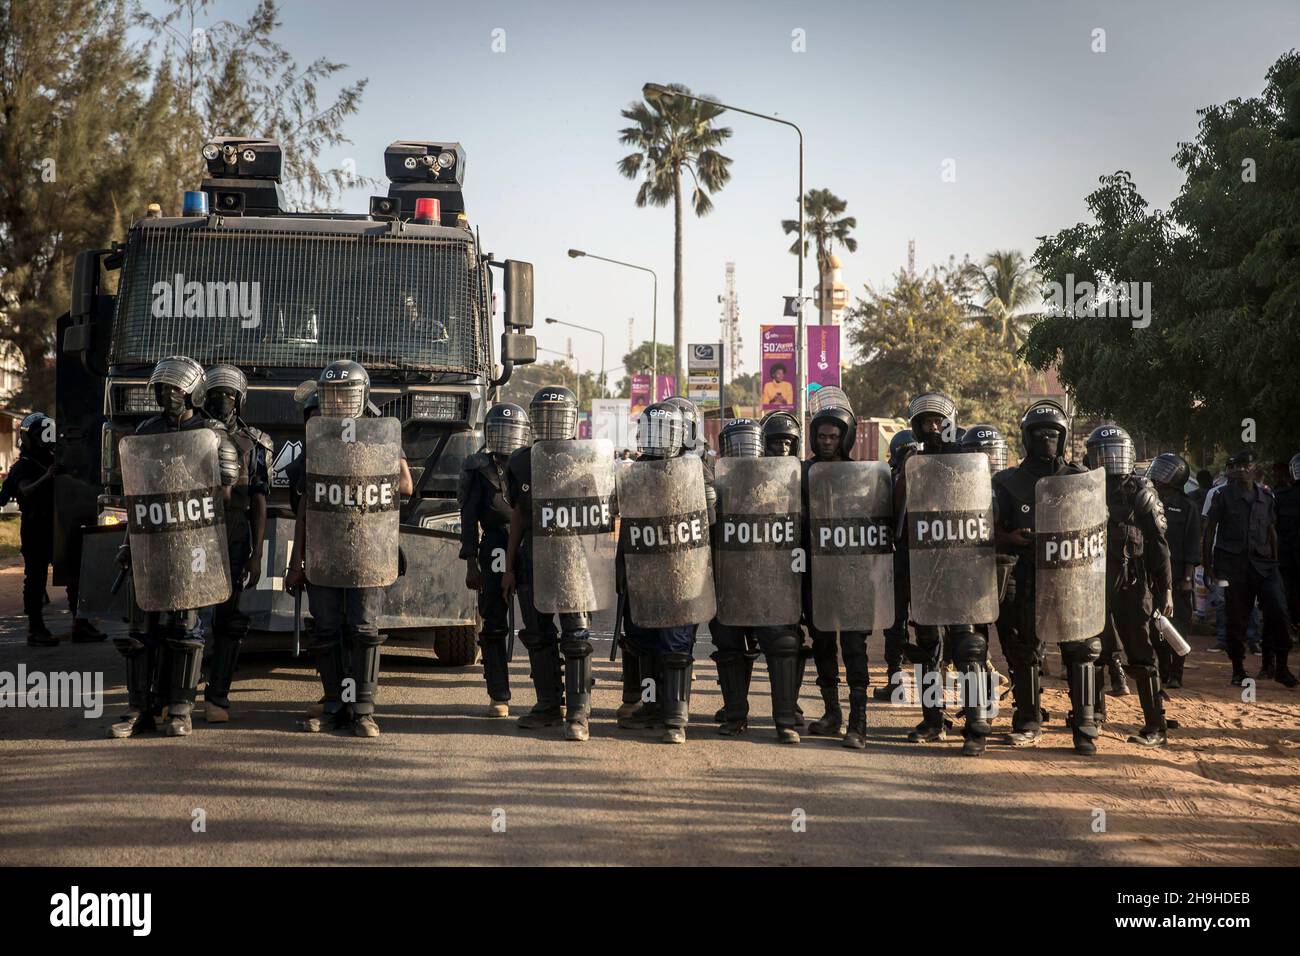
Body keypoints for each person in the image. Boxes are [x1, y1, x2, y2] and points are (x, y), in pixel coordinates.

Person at [110, 356, 239, 738]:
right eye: (162, 389)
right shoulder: (146, 431)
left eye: (175, 389)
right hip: (149, 541)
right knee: (140, 628)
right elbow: (134, 494)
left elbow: (225, 494)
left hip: (194, 542)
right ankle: (139, 709)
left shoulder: (213, 435)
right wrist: (127, 542)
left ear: (193, 392)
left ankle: (181, 708)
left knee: (186, 628)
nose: (167, 395)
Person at [284, 361, 414, 737]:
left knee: (362, 629)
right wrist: (297, 562)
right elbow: (306, 505)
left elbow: (405, 485)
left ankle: (362, 710)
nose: (338, 401)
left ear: (362, 396)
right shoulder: (319, 439)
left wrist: (366, 472)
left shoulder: (380, 435)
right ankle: (332, 705)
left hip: (368, 548)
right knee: (326, 630)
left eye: (346, 394)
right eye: (332, 394)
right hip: (325, 551)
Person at [897, 392, 994, 755]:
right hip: (927, 569)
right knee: (929, 648)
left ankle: (975, 724)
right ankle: (933, 720)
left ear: (950, 422)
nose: (932, 427)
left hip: (964, 568)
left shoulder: (968, 458)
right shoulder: (913, 461)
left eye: (937, 421)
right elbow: (901, 519)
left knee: (969, 647)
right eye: (926, 422)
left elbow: (986, 507)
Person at [992, 400, 1086, 747]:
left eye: (1052, 433)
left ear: (1063, 438)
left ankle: (1085, 723)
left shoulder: (1080, 480)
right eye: (1039, 433)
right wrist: (1010, 538)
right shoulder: (1008, 481)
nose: (1046, 438)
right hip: (1024, 575)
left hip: (1071, 578)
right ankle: (1029, 720)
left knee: (1079, 649)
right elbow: (990, 530)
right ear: (1026, 437)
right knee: (1023, 651)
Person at [501, 386, 594, 739]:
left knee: (577, 637)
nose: (552, 423)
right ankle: (548, 705)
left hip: (574, 562)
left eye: (559, 415)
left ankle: (579, 712)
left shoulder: (588, 458)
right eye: (544, 416)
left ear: (573, 419)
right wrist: (509, 568)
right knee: (537, 635)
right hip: (532, 559)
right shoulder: (520, 461)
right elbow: (518, 517)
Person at [617, 401, 709, 744]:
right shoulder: (638, 469)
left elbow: (708, 522)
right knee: (643, 641)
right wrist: (620, 566)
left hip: (684, 572)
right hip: (644, 571)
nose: (656, 437)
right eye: (652, 430)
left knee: (675, 643)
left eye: (665, 431)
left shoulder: (697, 469)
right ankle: (651, 705)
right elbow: (628, 523)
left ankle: (676, 716)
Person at [708, 418, 802, 744]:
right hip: (730, 582)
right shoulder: (716, 485)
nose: (743, 452)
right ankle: (735, 715)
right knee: (728, 642)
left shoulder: (778, 483)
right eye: (736, 445)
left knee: (783, 642)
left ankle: (786, 720)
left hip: (770, 582)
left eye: (749, 444)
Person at [1084, 425, 1175, 750]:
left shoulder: (1141, 491)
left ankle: (1155, 726)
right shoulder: (1084, 487)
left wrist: (1166, 590)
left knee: (1141, 654)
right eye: (1102, 454)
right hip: (1091, 585)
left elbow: (1159, 544)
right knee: (1093, 652)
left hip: (1133, 587)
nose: (1109, 461)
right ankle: (1091, 717)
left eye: (1115, 453)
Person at [199, 365, 270, 722]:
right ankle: (176, 696)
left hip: (235, 534)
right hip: (192, 534)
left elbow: (259, 499)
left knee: (228, 620)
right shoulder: (189, 431)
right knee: (186, 620)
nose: (221, 401)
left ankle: (218, 697)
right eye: (215, 394)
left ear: (240, 399)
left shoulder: (253, 441)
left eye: (229, 394)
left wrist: (257, 555)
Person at [802, 394, 872, 748]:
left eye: (833, 437)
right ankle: (832, 714)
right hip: (817, 576)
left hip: (855, 576)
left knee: (855, 647)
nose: (827, 442)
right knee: (824, 645)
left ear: (846, 437)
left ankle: (858, 722)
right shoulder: (803, 473)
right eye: (822, 436)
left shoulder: (865, 477)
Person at [0, 413, 102, 646]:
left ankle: (80, 623)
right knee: (35, 579)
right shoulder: (24, 466)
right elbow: (23, 491)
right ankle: (35, 629)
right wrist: (47, 477)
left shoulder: (53, 461)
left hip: (60, 526)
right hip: (36, 527)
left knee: (74, 574)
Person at [459, 403, 531, 718]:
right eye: (499, 431)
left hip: (530, 546)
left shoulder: (531, 464)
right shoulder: (478, 468)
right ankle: (498, 693)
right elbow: (468, 517)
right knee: (494, 621)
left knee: (540, 620)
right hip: (495, 547)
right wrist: (471, 561)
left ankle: (552, 693)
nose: (506, 438)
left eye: (511, 431)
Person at [1202, 449, 1297, 687]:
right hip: (1234, 568)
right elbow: (1209, 531)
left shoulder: (1266, 496)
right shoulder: (1221, 496)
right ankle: (1238, 669)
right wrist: (1208, 567)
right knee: (1237, 619)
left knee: (1279, 612)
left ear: (1254, 470)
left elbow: (1271, 531)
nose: (1240, 470)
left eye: (1245, 465)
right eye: (1235, 466)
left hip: (1265, 566)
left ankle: (1281, 667)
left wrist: (1274, 562)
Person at [1146, 453, 1201, 690]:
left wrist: (1188, 577)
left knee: (1177, 624)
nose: (1158, 475)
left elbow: (1192, 544)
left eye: (1164, 471)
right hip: (1152, 573)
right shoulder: (1147, 499)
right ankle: (1164, 669)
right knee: (1155, 625)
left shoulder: (1188, 507)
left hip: (1178, 575)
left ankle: (1177, 673)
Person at [1274, 453, 1300, 627]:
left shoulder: (1281, 496)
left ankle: (1290, 624)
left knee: (1287, 590)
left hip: (1286, 556)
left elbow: (1272, 527)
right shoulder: (1281, 496)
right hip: (1287, 555)